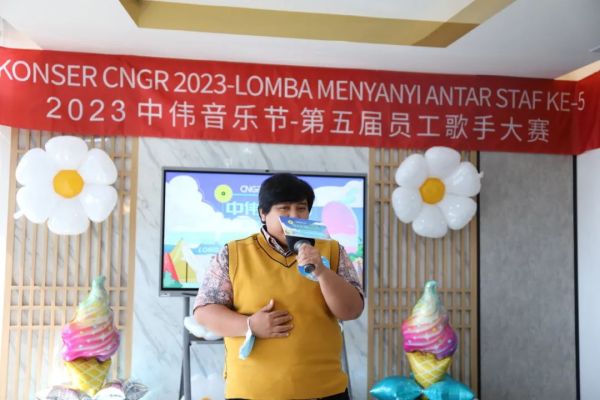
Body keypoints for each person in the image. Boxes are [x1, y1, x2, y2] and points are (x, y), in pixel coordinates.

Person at [194, 173, 364, 400]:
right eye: (284, 209)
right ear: (263, 214)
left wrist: (322, 272)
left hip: (324, 391)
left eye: (301, 209)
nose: (294, 216)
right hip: (251, 392)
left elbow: (352, 310)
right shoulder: (233, 253)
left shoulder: (332, 250)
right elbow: (204, 311)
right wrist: (249, 325)